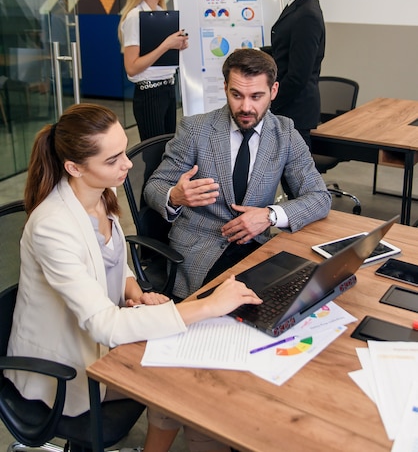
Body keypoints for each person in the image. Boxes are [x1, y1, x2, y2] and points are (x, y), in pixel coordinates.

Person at [6, 103, 261, 452]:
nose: (127, 164)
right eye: (112, 160)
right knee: (189, 388)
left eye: (123, 152)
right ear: (74, 167)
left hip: (100, 339)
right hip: (63, 367)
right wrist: (207, 307)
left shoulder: (100, 194)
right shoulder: (52, 226)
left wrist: (133, 289)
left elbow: (115, 262)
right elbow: (104, 326)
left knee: (186, 379)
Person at [144, 48, 331, 301]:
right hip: (200, 252)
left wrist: (269, 216)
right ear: (225, 88)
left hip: (256, 247)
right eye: (237, 95)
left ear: (273, 91)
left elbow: (319, 197)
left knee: (297, 299)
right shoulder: (196, 129)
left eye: (256, 96)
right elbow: (154, 186)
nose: (246, 107)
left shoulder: (285, 133)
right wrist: (175, 196)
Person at [118, 0, 188, 140]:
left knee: (167, 152)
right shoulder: (136, 17)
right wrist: (166, 45)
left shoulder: (160, 13)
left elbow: (160, 57)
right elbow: (132, 67)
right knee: (154, 155)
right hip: (149, 93)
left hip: (168, 89)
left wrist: (178, 46)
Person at [266, 0, 326, 150]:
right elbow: (286, 49)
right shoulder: (300, 6)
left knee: (297, 179)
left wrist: (269, 101)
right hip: (290, 110)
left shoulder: (306, 14)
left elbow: (298, 75)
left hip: (295, 113)